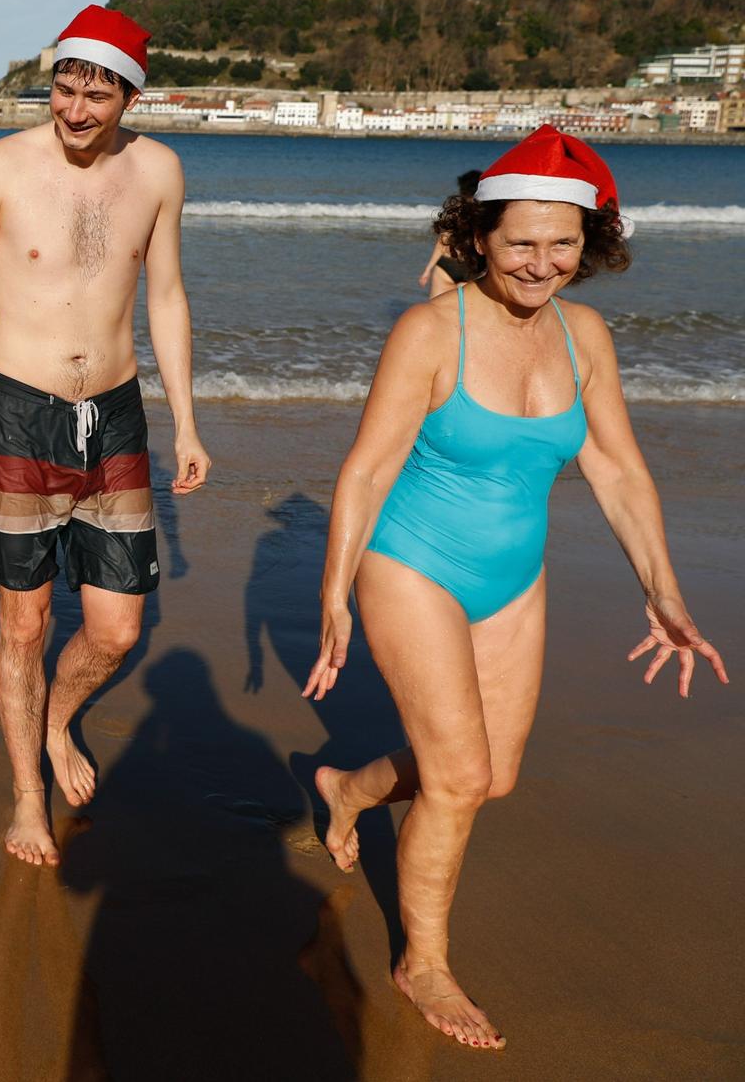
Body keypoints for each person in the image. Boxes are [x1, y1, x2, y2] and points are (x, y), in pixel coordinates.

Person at [303, 125, 728, 1051]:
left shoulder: (586, 337)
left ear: (592, 241)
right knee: (455, 776)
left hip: (512, 577)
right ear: (480, 236)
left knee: (488, 777)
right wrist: (335, 594)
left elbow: (616, 468)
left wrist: (665, 592)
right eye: (522, 242)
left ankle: (349, 788)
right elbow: (368, 471)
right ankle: (425, 961)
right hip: (411, 561)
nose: (542, 263)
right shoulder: (430, 330)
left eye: (563, 242)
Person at [0, 4, 209, 867]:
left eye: (97, 94)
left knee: (119, 628)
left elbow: (164, 296)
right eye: (64, 87)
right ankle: (25, 794)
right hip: (14, 410)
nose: (76, 109)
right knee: (25, 625)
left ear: (129, 95)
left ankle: (56, 720)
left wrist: (187, 420)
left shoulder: (159, 171)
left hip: (116, 415)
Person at [417, 169, 482, 298]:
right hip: (473, 266)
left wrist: (428, 270)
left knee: (436, 311)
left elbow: (443, 240)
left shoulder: (457, 211)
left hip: (448, 264)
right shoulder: (486, 213)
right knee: (464, 315)